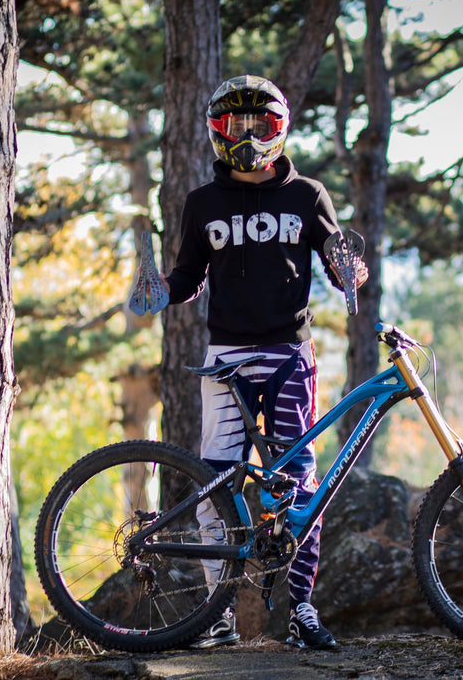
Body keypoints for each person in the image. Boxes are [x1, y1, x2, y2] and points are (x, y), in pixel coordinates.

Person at [162, 75, 367, 650]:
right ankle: (217, 617)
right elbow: (187, 276)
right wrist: (162, 289)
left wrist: (350, 271)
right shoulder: (202, 203)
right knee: (216, 486)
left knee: (298, 488)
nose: (248, 135)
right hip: (224, 358)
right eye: (236, 124)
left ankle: (301, 609)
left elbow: (334, 258)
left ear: (281, 129)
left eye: (261, 124)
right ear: (216, 131)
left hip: (287, 357)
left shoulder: (308, 195)